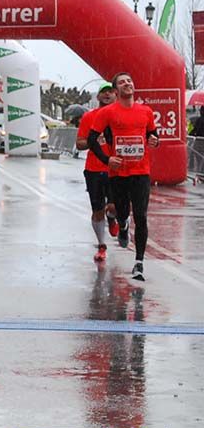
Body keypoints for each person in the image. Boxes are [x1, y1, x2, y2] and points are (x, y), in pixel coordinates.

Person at [87, 72, 158, 280]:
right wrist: (107, 159)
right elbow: (92, 139)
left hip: (141, 171)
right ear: (116, 90)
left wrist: (155, 140)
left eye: (129, 81)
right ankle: (123, 224)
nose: (127, 83)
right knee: (121, 210)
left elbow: (152, 134)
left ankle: (139, 263)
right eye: (122, 82)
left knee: (141, 216)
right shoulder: (107, 112)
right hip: (118, 172)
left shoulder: (145, 111)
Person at [76, 83, 119, 263]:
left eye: (110, 92)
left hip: (116, 168)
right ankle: (101, 246)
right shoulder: (89, 117)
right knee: (97, 209)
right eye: (103, 92)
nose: (107, 95)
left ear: (116, 95)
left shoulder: (120, 116)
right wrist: (93, 141)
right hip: (94, 169)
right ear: (98, 97)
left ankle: (112, 218)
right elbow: (79, 143)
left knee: (115, 206)